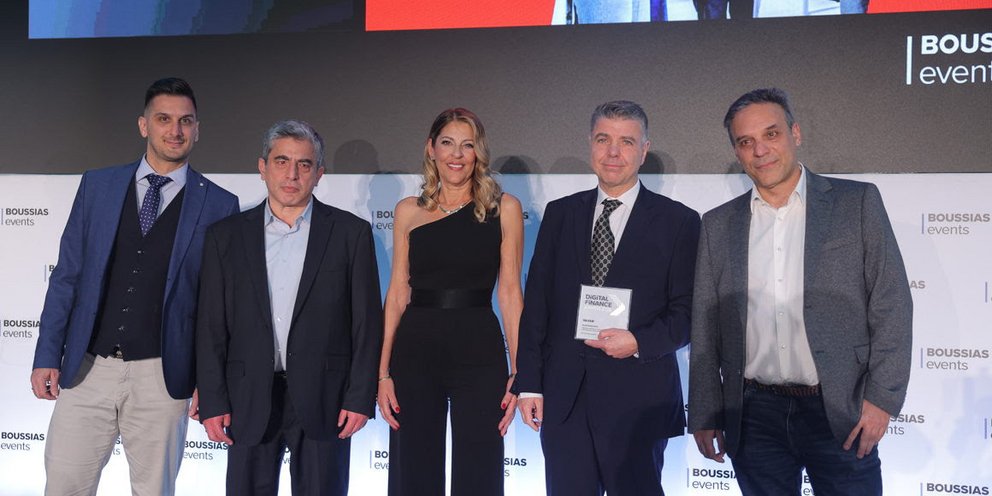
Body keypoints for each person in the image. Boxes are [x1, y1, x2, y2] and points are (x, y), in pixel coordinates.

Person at [688, 88, 912, 495]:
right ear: (737, 152)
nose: (760, 150)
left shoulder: (856, 203)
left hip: (840, 410)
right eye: (746, 141)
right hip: (753, 414)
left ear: (795, 133)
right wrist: (705, 411)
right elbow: (705, 325)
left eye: (771, 134)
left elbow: (891, 302)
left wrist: (882, 399)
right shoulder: (717, 225)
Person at [30, 77, 239, 495]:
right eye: (163, 119)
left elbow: (217, 308)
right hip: (86, 369)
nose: (175, 130)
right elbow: (67, 275)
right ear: (144, 125)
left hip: (163, 378)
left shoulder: (219, 204)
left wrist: (210, 381)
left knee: (154, 489)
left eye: (185, 121)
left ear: (197, 129)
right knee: (64, 485)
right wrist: (47, 353)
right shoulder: (98, 186)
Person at [515, 100, 700, 496]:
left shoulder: (679, 221)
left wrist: (639, 341)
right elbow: (537, 306)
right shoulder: (560, 214)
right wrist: (529, 384)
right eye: (603, 139)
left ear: (644, 150)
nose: (613, 152)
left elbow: (688, 313)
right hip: (566, 398)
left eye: (626, 142)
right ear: (590, 144)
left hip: (638, 400)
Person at [195, 120, 383, 495]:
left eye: (304, 164)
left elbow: (366, 323)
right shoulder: (225, 236)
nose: (292, 174)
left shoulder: (351, 233)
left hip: (325, 397)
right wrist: (213, 399)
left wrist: (360, 397)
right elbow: (211, 325)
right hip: (248, 395)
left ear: (319, 174)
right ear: (262, 167)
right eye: (281, 161)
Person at [376, 108, 524, 496]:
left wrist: (519, 370)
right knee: (413, 467)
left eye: (467, 145)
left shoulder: (504, 208)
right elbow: (397, 293)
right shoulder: (408, 211)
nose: (456, 155)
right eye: (447, 143)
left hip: (479, 349)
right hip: (415, 349)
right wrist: (382, 373)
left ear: (478, 152)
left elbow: (510, 293)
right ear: (431, 148)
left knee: (480, 467)